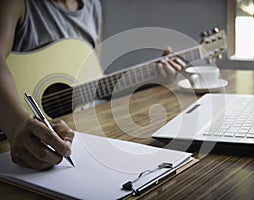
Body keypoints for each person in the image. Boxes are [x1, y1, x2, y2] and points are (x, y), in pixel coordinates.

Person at [0, 0, 185, 171]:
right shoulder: (17, 4)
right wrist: (17, 124)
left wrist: (152, 79)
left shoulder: (92, 5)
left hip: (76, 138)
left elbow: (95, 85)